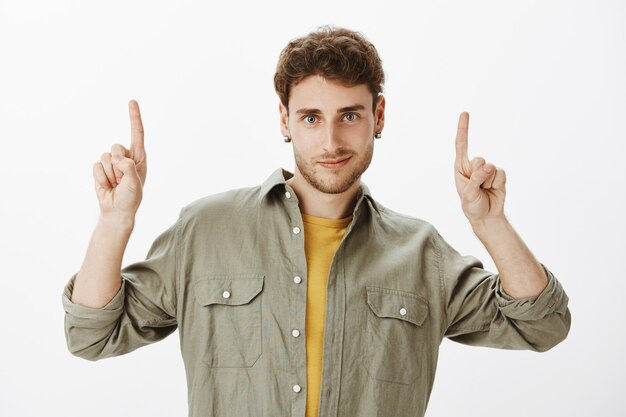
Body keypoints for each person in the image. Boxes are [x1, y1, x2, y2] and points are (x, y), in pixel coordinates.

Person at [62, 25, 571, 417]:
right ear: (284, 119)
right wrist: (115, 222)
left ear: (380, 116)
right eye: (311, 118)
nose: (330, 142)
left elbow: (542, 326)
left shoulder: (422, 253)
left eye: (349, 115)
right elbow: (91, 335)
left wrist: (490, 224)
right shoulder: (205, 230)